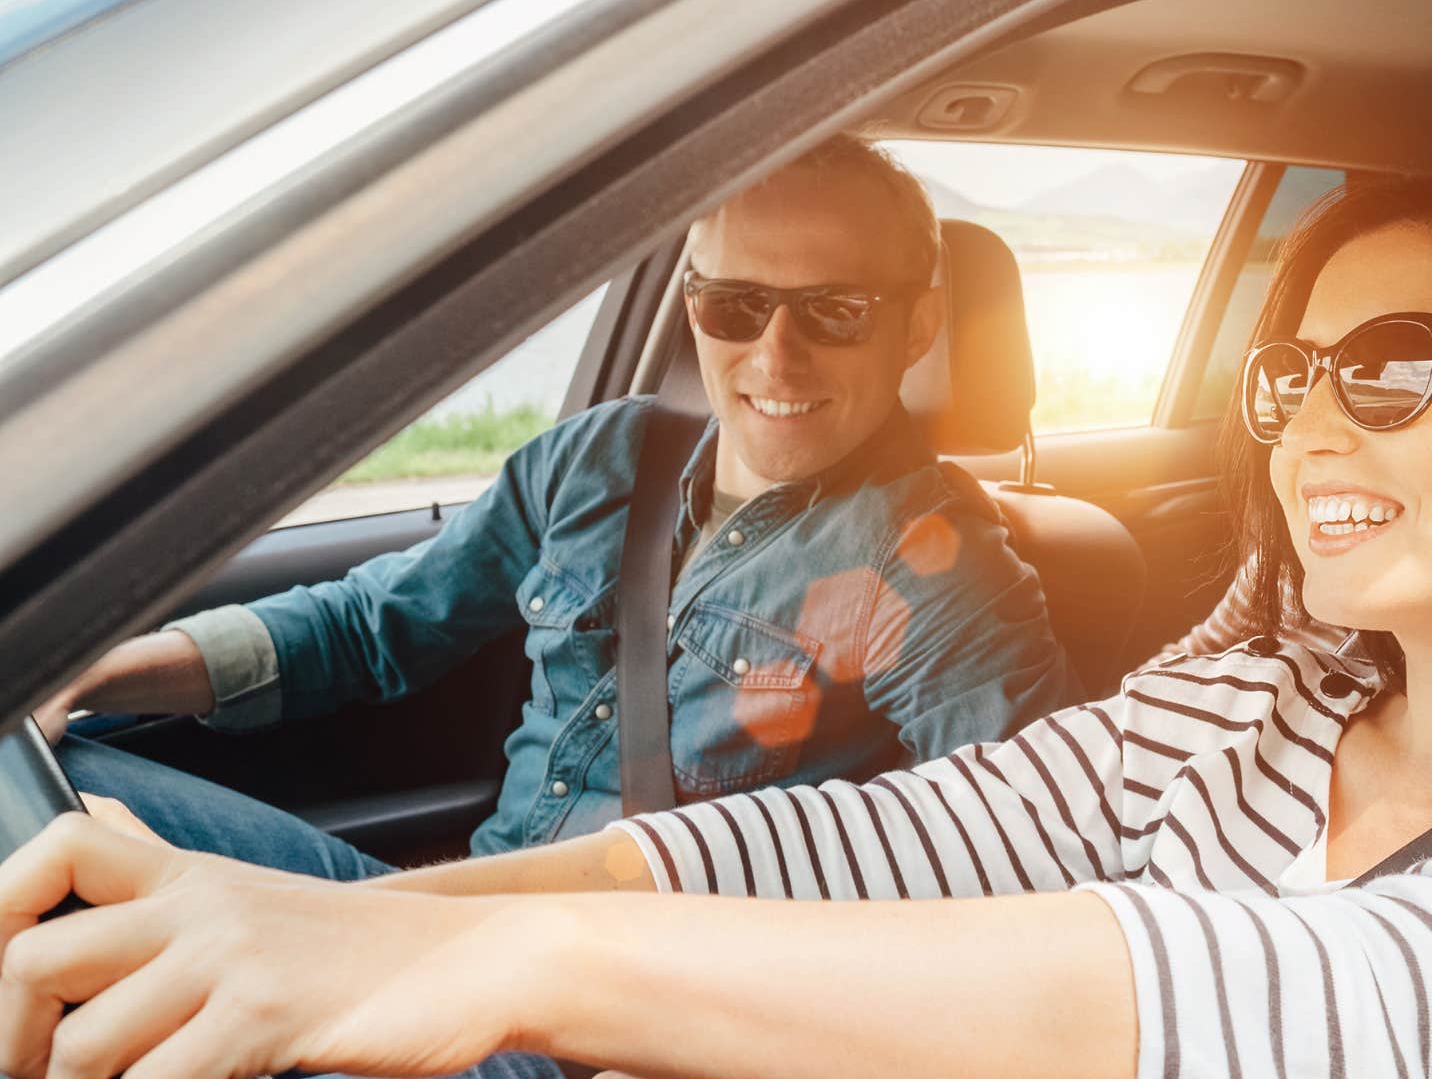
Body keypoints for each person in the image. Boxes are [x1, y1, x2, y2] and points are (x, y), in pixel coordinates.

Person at [0, 173, 1432, 1079]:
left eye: (1400, 367)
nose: (1314, 428)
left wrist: (510, 973)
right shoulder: (1248, 699)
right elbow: (888, 833)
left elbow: (1253, 998)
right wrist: (360, 929)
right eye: (1288, 378)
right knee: (72, 862)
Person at [36, 134, 1083, 880]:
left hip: (627, 1021)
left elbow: (1022, 853)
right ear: (693, 305)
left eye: (837, 312)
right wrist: (91, 671)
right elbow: (373, 626)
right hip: (443, 928)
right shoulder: (601, 460)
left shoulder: (941, 572)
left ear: (918, 326)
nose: (775, 355)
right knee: (43, 783)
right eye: (736, 305)